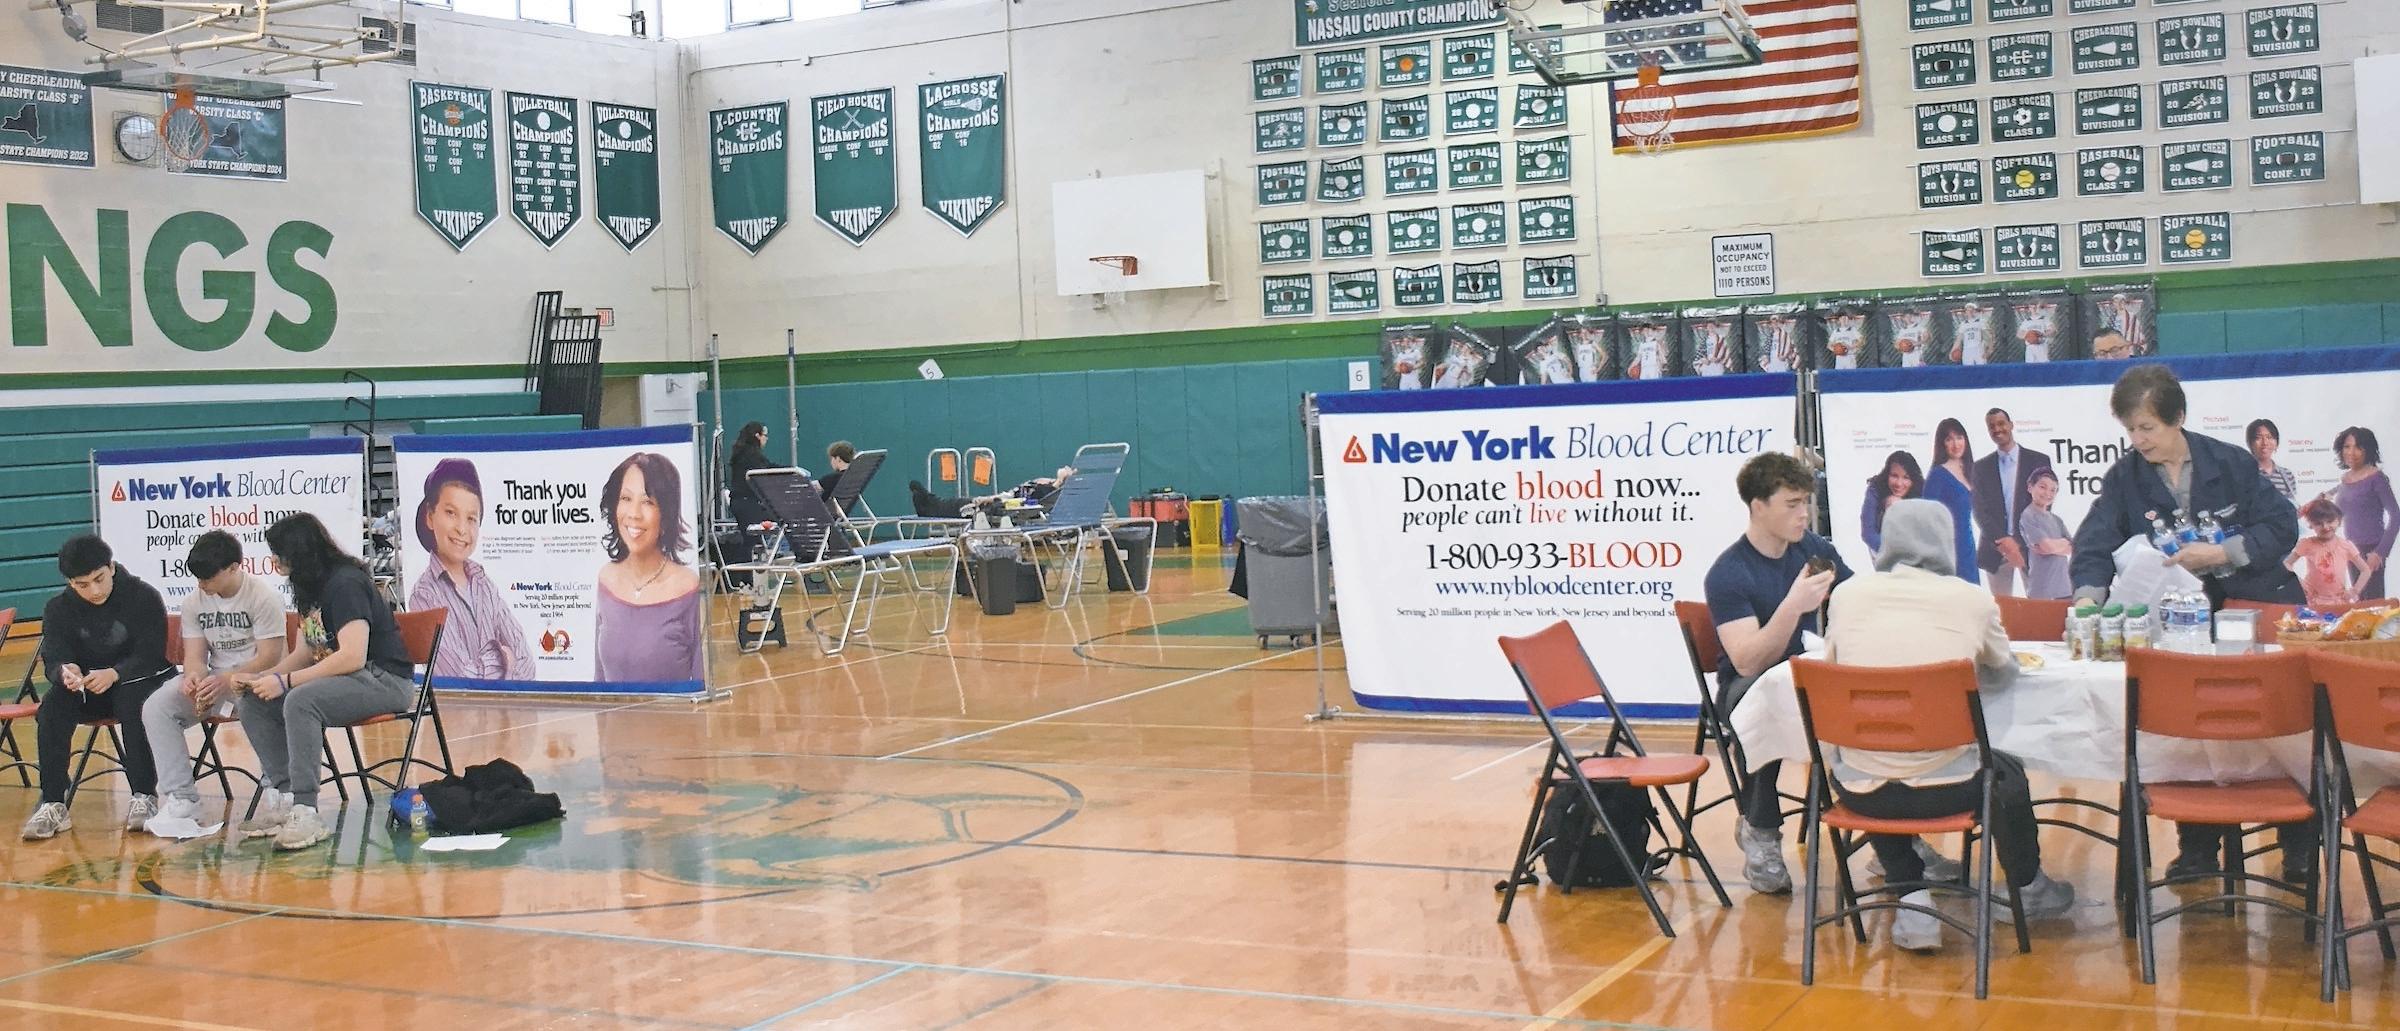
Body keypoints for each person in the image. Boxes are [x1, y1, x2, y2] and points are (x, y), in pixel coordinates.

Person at [2069, 364, 2308, 881]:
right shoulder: (2125, 478)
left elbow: (2281, 525)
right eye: (2130, 430)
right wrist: (2088, 601)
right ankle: (2198, 847)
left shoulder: (2231, 462)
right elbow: (2093, 545)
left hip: (2253, 606)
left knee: (2277, 722)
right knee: (2191, 727)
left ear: (2177, 417)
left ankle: (2299, 845)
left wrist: (2222, 552)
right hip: (2181, 623)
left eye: (2147, 427)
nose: (2138, 440)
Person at [1822, 500, 2078, 951]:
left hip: (1859, 790)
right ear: (1946, 541)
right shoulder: (1971, 598)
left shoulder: (1847, 595)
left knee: (1874, 758)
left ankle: (1912, 898)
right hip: (1950, 788)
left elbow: (1836, 664)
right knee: (2007, 773)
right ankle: (2026, 886)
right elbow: (2002, 672)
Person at [1703, 451, 1854, 894]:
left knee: (1864, 706)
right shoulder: (1728, 573)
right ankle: (1761, 830)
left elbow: (1856, 595)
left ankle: (1892, 834)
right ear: (1758, 507)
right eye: (1792, 503)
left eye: (1806, 501)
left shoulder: (1814, 550)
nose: (1804, 513)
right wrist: (1794, 605)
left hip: (1807, 674)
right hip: (1745, 684)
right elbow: (1747, 660)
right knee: (1760, 702)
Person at [232, 514, 417, 850]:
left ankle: (307, 810)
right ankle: (287, 798)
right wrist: (264, 679)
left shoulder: (345, 584)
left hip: (384, 680)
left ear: (298, 553)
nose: (275, 561)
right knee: (253, 701)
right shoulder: (309, 587)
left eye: (279, 554)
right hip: (350, 679)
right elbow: (307, 652)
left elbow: (352, 656)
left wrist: (286, 682)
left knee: (300, 700)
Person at [21, 536, 177, 841]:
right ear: (69, 582)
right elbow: (54, 656)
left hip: (139, 681)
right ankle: (53, 802)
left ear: (112, 567)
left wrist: (116, 673)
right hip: (89, 689)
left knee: (133, 701)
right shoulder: (58, 608)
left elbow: (151, 653)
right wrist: (65, 671)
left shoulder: (143, 596)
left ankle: (144, 794)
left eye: (99, 579)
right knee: (52, 707)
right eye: (82, 585)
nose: (94, 591)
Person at [140, 531, 288, 834]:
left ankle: (280, 788)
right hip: (218, 680)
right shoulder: (194, 602)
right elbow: (195, 656)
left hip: (259, 679)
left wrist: (226, 679)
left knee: (254, 699)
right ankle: (182, 798)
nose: (202, 585)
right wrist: (193, 677)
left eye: (208, 578)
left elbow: (270, 657)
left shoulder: (263, 597)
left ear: (234, 568)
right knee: (157, 706)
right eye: (198, 578)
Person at [407, 459, 532, 681]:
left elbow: (526, 663)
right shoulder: (425, 594)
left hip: (502, 702)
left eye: (471, 518)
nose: (462, 529)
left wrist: (486, 665)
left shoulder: (484, 584)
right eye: (451, 513)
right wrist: (504, 657)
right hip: (455, 704)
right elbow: (459, 676)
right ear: (430, 516)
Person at [595, 452, 703, 683]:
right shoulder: (606, 579)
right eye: (626, 498)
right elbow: (599, 682)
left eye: (647, 502)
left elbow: (702, 685)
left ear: (666, 514)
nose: (634, 514)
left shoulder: (687, 587)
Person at [1971, 408, 2054, 596]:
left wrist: (2022, 539)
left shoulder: (2039, 461)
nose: (1997, 429)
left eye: (2001, 424)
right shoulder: (1981, 467)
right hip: (1996, 549)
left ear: (2011, 425)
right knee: (2002, 610)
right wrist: (2005, 541)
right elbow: (1979, 510)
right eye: (1991, 426)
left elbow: (2045, 502)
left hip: (2031, 547)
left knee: (2039, 606)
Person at [2332, 426, 2399, 600]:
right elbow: (2342, 511)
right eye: (2347, 447)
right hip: (2350, 550)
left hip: (2371, 551)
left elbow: (2396, 516)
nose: (2351, 452)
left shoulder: (2376, 478)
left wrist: (2380, 552)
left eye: (2358, 447)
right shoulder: (2345, 479)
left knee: (2373, 604)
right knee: (2358, 602)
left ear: (2367, 450)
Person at [1922, 418, 1980, 586]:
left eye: (1959, 437)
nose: (1956, 444)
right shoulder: (1937, 475)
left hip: (1967, 547)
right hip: (1946, 550)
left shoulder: (1971, 470)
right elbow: (1926, 518)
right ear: (1942, 444)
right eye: (1949, 439)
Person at [2288, 497, 2369, 609]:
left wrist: (2355, 591)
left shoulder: (2346, 546)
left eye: (2330, 521)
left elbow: (2365, 570)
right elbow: (2287, 564)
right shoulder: (2307, 544)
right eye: (2319, 523)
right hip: (2313, 600)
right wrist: (2300, 584)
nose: (2325, 527)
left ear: (2339, 521)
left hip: (2338, 601)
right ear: (2311, 525)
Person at [2018, 470, 2073, 601]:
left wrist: (2052, 546)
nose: (2048, 493)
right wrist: (2061, 544)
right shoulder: (2028, 516)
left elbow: (2072, 548)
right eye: (2043, 487)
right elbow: (2046, 546)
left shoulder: (2056, 519)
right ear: (2030, 487)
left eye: (2053, 490)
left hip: (2064, 587)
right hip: (2041, 589)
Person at [1859, 450, 1923, 556]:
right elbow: (1868, 533)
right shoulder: (1876, 488)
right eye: (1894, 476)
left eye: (1906, 478)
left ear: (1913, 479)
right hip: (1883, 550)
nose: (1899, 483)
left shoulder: (1922, 492)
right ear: (1887, 475)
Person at [726, 421, 774, 527]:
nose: (766, 439)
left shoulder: (741, 453)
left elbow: (769, 466)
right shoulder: (753, 457)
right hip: (749, 503)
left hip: (739, 502)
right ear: (757, 436)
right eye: (765, 435)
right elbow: (767, 469)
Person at [2247, 418, 2297, 501]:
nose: (2265, 443)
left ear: (2276, 443)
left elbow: (2292, 506)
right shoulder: (2244, 474)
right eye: (2259, 437)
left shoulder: (2288, 475)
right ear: (2250, 443)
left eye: (2269, 437)